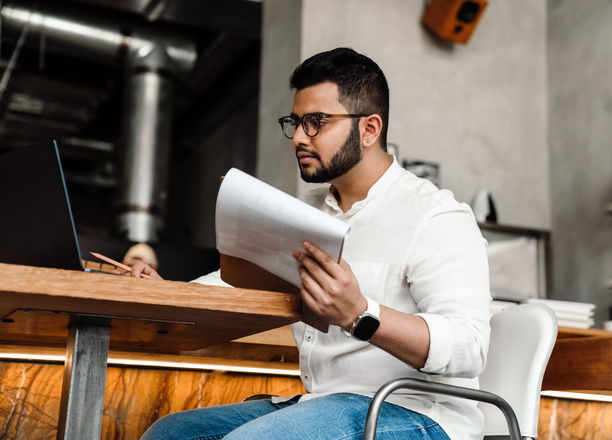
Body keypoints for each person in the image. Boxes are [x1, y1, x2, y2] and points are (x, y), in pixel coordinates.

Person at [135, 47, 491, 440]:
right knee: (168, 434)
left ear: (369, 129)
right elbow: (242, 280)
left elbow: (469, 346)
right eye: (296, 122)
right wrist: (168, 295)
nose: (299, 138)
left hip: (416, 410)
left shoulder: (434, 216)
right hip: (323, 402)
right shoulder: (306, 213)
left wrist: (361, 314)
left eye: (316, 122)